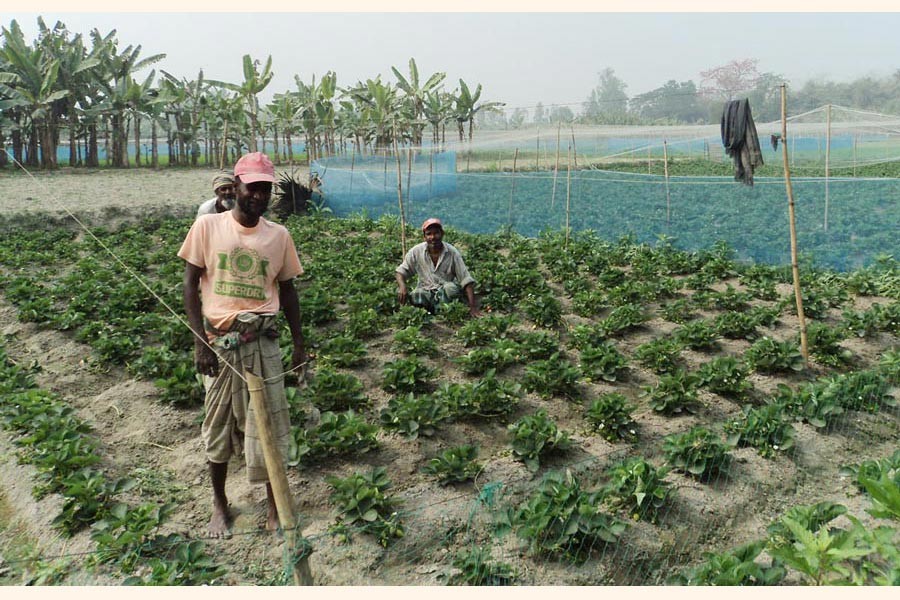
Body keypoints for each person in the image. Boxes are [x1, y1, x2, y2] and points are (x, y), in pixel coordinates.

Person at [178, 151, 307, 538]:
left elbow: (288, 291)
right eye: (252, 188)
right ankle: (220, 504)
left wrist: (299, 345)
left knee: (269, 424)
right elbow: (189, 284)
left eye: (265, 189)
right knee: (217, 427)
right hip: (221, 344)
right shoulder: (207, 227)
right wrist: (200, 342)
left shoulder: (278, 236)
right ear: (236, 187)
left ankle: (273, 505)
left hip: (263, 342)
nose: (259, 196)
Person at [395, 217, 481, 318]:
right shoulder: (416, 251)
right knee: (416, 295)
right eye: (429, 234)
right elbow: (400, 272)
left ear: (442, 234)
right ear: (424, 236)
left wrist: (472, 307)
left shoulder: (452, 252)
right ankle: (427, 313)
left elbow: (466, 279)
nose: (433, 237)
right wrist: (402, 287)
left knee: (451, 289)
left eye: (436, 233)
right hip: (426, 291)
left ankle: (444, 312)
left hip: (444, 292)